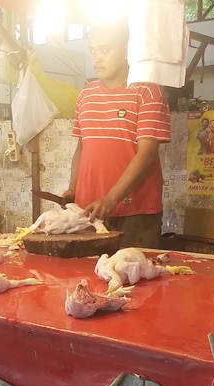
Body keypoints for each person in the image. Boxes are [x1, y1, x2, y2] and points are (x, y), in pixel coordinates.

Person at [63, 22, 171, 248]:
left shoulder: (148, 91)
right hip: (88, 212)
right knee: (88, 279)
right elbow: (82, 148)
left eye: (105, 50)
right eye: (92, 50)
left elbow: (147, 154)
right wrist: (73, 189)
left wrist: (111, 199)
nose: (97, 58)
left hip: (136, 215)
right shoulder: (86, 94)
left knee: (136, 279)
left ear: (127, 50)